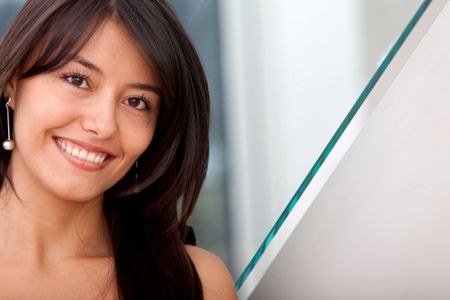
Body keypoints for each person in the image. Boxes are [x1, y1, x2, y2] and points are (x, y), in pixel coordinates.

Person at [0, 0, 237, 299]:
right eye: (78, 80)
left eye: (137, 102)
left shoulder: (197, 283)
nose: (104, 125)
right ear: (11, 82)